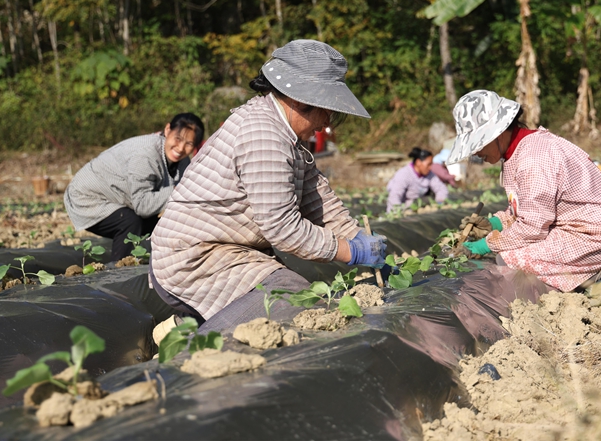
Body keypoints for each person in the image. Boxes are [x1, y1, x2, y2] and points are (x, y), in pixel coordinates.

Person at [150, 40, 387, 330]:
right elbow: (282, 228)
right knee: (289, 297)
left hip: (230, 250)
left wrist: (358, 236)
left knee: (286, 293)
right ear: (300, 101)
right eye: (326, 109)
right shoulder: (264, 135)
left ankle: (182, 326)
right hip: (193, 257)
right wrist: (350, 251)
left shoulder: (287, 134)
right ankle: (194, 349)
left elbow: (318, 201)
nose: (327, 121)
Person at [448, 90, 601, 305]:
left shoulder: (534, 158)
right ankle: (582, 281)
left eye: (478, 144)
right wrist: (494, 224)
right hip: (577, 227)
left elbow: (532, 227)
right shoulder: (520, 151)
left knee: (509, 259)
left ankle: (596, 282)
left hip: (595, 234)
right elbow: (526, 210)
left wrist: (485, 245)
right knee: (509, 252)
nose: (476, 153)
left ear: (497, 133)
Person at [64, 113, 205, 261]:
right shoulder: (146, 154)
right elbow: (143, 206)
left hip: (122, 197)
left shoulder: (182, 160)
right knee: (129, 222)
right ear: (167, 130)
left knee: (166, 222)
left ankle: (170, 262)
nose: (181, 148)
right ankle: (119, 270)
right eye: (178, 139)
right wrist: (176, 191)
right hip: (87, 197)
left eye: (189, 144)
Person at [386, 148, 449, 212]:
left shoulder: (429, 174)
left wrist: (440, 202)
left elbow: (441, 188)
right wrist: (398, 212)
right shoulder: (404, 174)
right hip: (403, 207)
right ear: (418, 162)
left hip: (416, 205)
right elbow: (394, 196)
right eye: (428, 164)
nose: (430, 167)